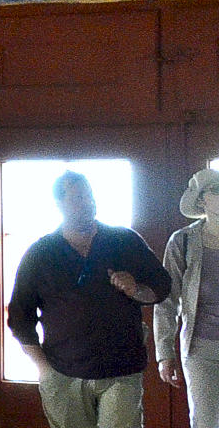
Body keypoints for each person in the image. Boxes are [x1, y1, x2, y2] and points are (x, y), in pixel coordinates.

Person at [10, 170, 173, 428]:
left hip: (122, 370)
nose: (89, 203)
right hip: (63, 374)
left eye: (90, 196)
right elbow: (19, 318)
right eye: (78, 198)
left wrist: (136, 290)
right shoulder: (41, 254)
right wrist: (44, 369)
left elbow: (162, 285)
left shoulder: (124, 240)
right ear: (59, 205)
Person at [161, 169, 219, 426]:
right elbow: (167, 301)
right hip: (200, 348)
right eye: (215, 191)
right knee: (206, 421)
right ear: (202, 200)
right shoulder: (183, 241)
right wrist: (165, 353)